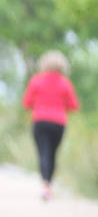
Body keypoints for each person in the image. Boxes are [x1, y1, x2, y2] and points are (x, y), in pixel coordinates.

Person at [22, 50, 80, 201]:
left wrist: (39, 103)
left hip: (40, 121)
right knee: (53, 153)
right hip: (58, 123)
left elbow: (26, 103)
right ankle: (49, 185)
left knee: (43, 152)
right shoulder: (65, 83)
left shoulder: (36, 81)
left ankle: (45, 185)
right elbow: (74, 106)